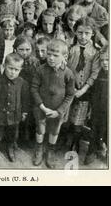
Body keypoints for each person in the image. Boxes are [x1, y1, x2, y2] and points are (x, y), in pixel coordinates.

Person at [31, 39, 76, 169]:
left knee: (54, 131)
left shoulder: (68, 73)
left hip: (57, 111)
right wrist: (42, 107)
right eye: (49, 54)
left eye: (55, 55)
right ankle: (39, 149)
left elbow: (70, 95)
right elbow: (34, 88)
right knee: (40, 129)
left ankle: (50, 150)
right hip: (41, 108)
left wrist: (59, 111)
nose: (50, 58)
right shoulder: (40, 70)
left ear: (64, 56)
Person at [0, 53, 29, 162]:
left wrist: (24, 112)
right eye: (10, 68)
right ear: (4, 66)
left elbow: (25, 99)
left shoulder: (22, 83)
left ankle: (10, 147)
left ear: (20, 70)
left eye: (16, 70)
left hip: (15, 114)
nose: (12, 72)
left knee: (13, 133)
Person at [67, 17, 100, 153]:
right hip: (70, 88)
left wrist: (83, 89)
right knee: (68, 116)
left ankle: (75, 143)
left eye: (87, 33)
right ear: (75, 32)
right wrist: (71, 87)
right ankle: (65, 139)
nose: (83, 36)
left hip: (84, 91)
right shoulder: (71, 49)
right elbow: (67, 69)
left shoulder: (95, 52)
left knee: (78, 121)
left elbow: (94, 74)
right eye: (80, 32)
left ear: (92, 33)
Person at [84, 45, 108, 165]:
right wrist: (91, 108)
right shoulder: (99, 75)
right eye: (103, 60)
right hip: (98, 108)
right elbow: (93, 93)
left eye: (108, 59)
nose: (105, 63)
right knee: (94, 129)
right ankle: (91, 150)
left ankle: (106, 150)